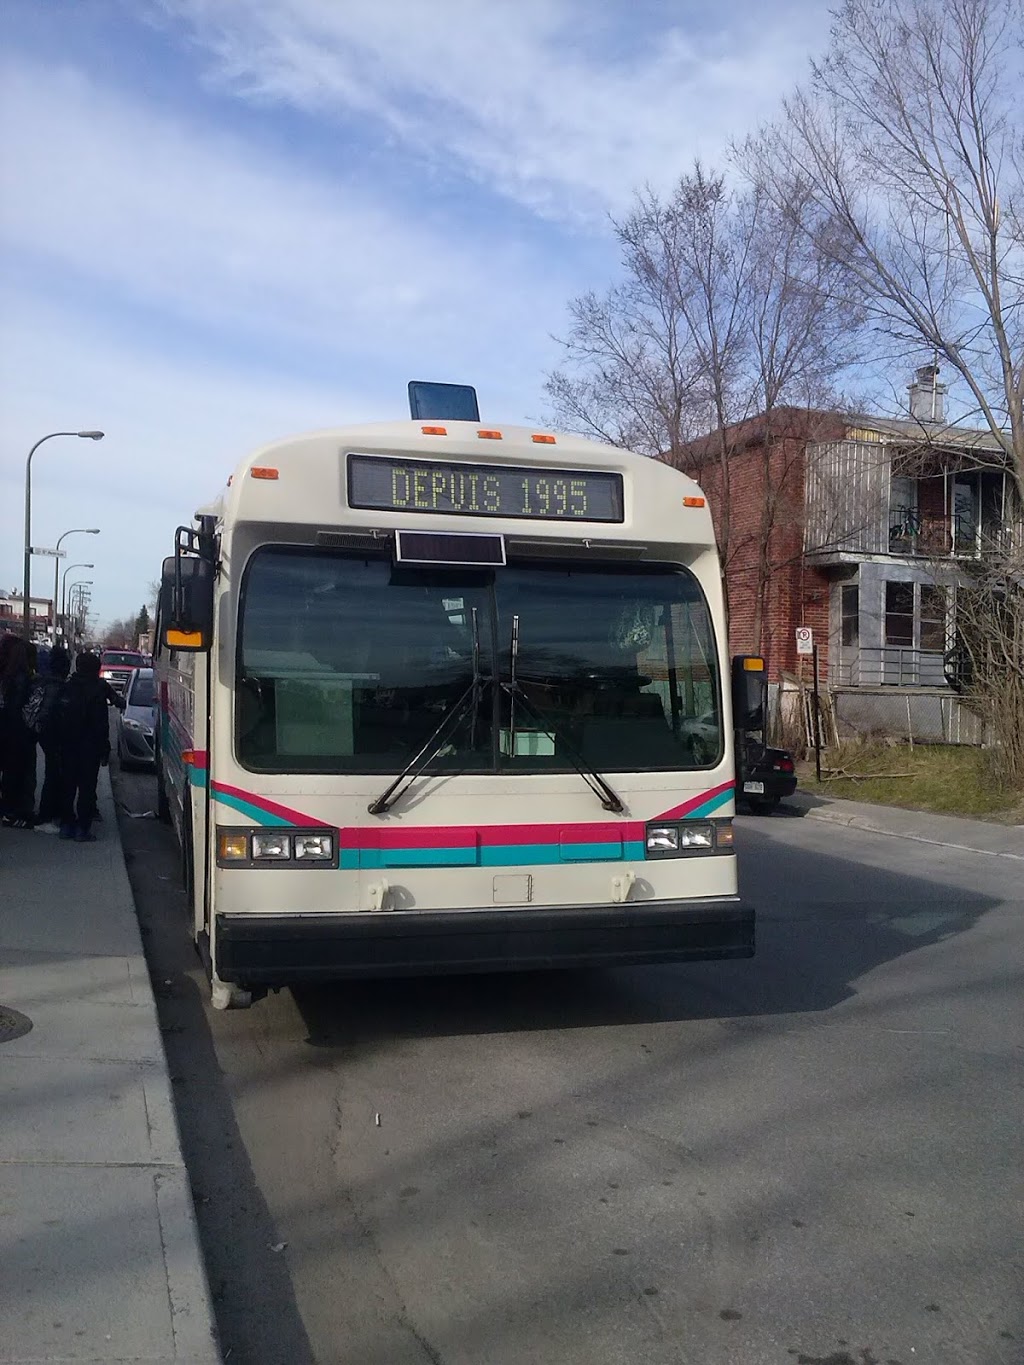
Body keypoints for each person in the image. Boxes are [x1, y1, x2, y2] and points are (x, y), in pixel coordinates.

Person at [56, 651, 111, 842]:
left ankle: (66, 825)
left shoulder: (67, 687)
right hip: (90, 747)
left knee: (67, 786)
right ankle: (82, 828)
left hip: (68, 745)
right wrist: (105, 749)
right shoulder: (97, 690)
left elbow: (57, 717)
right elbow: (102, 724)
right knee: (87, 788)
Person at [31, 645, 71, 834]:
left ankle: (52, 812)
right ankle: (48, 814)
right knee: (54, 774)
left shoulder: (42, 682)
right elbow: (47, 713)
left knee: (53, 773)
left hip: (47, 737)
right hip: (54, 736)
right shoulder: (57, 687)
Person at [0, 633, 36, 828]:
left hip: (6, 728)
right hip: (16, 731)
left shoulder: (6, 676)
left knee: (9, 772)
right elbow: (19, 706)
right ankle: (12, 811)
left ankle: (8, 809)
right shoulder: (21, 678)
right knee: (15, 772)